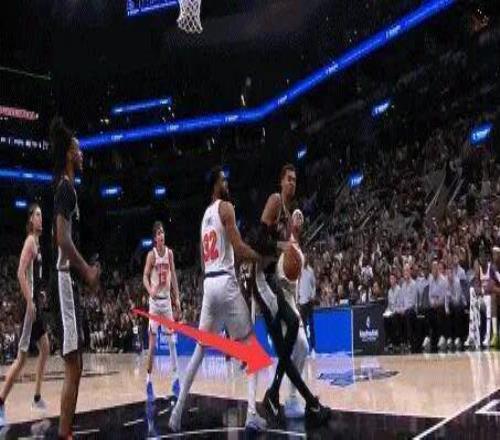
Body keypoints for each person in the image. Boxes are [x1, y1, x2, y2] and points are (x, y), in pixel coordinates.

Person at [168, 166, 267, 432]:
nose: (227, 182)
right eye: (223, 179)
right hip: (224, 281)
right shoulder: (226, 208)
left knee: (200, 350)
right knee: (252, 349)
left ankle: (177, 412)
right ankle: (251, 414)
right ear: (215, 185)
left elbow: (204, 260)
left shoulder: (204, 217)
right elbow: (239, 248)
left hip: (209, 283)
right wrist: (261, 257)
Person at [252, 164, 330, 425]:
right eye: (289, 179)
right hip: (259, 279)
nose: (292, 183)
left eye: (295, 180)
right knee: (291, 342)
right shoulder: (275, 201)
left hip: (273, 283)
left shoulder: (286, 219)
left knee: (298, 346)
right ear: (281, 181)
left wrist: (287, 246)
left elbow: (280, 252)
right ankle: (289, 398)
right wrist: (282, 245)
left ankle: (282, 396)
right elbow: (259, 241)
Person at [49, 117, 101, 439]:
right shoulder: (66, 188)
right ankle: (64, 434)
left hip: (68, 282)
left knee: (77, 364)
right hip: (63, 280)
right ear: (69, 153)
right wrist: (87, 271)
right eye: (78, 150)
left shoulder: (68, 188)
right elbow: (62, 239)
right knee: (72, 364)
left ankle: (66, 432)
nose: (82, 154)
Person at [0, 204, 50, 427]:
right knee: (21, 360)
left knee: (45, 348)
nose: (41, 218)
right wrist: (30, 301)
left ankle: (37, 397)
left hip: (35, 304)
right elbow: (20, 272)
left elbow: (32, 276)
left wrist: (39, 295)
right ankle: (1, 401)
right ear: (30, 219)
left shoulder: (37, 243)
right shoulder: (30, 241)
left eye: (41, 215)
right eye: (37, 215)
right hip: (29, 308)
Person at [143, 221, 181, 399]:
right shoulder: (151, 256)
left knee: (172, 341)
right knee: (152, 345)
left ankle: (176, 377)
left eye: (163, 232)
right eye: (158, 233)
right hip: (154, 303)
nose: (161, 235)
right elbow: (144, 276)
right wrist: (149, 289)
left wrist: (177, 298)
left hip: (166, 303)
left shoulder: (169, 253)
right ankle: (148, 379)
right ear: (154, 238)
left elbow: (173, 276)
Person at [298, 253, 316, 356]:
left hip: (309, 302)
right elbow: (296, 285)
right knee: (303, 327)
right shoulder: (298, 271)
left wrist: (312, 295)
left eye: (305, 258)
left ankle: (313, 348)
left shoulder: (310, 271)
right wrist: (297, 299)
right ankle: (305, 349)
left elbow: (314, 285)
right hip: (301, 303)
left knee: (311, 325)